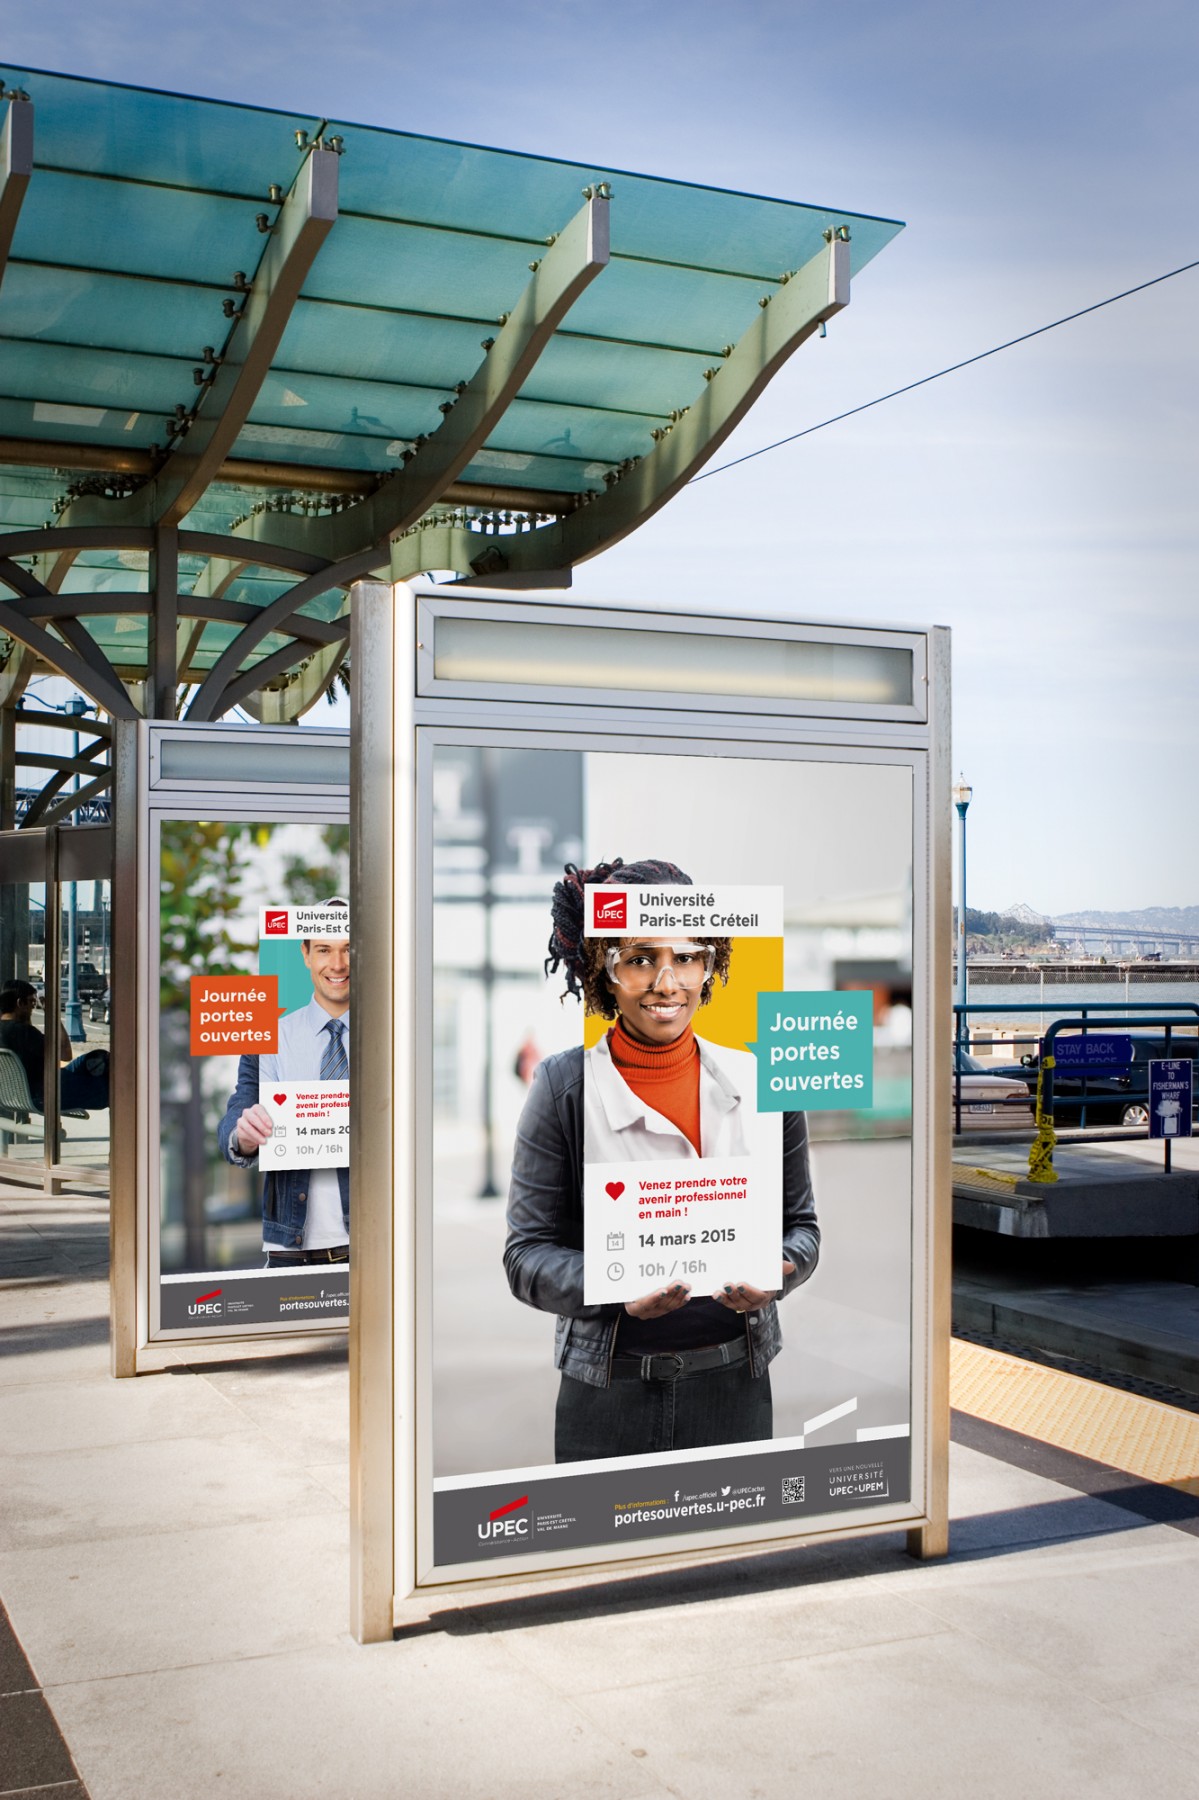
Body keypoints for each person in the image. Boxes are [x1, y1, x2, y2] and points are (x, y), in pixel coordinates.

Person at [504, 858, 819, 1462]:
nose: (666, 982)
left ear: (710, 964)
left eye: (687, 956)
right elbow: (525, 1257)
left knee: (728, 1557)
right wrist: (615, 1288)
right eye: (640, 957)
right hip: (610, 1391)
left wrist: (779, 1271)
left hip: (736, 1385)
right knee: (610, 1556)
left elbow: (802, 1228)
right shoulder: (564, 1087)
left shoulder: (763, 1080)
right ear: (605, 968)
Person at [217, 910, 350, 1268]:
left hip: (373, 1247)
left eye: (349, 949)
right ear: (305, 954)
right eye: (324, 949)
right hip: (290, 1253)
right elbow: (237, 1109)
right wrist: (243, 1135)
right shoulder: (270, 1033)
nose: (338, 964)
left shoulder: (389, 1037)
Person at [0, 980, 110, 1111]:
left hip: (23, 1092)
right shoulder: (24, 1033)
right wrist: (51, 1012)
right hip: (45, 1092)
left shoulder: (9, 1031)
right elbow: (65, 1053)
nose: (32, 1008)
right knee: (112, 1084)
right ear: (19, 1003)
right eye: (31, 1002)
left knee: (96, 1058)